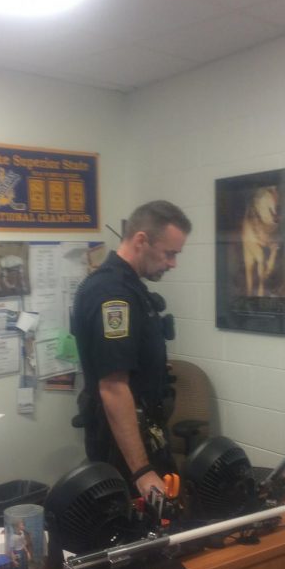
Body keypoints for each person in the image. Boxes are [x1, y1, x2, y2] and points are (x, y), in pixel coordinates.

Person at [72, 200, 191, 498]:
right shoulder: (113, 295)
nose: (173, 263)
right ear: (141, 240)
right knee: (143, 531)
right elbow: (113, 387)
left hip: (144, 431)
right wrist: (141, 470)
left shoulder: (130, 287)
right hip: (124, 449)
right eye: (169, 253)